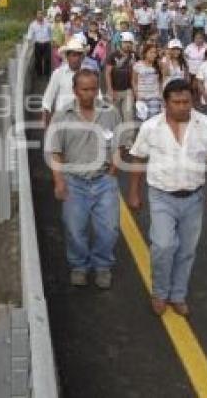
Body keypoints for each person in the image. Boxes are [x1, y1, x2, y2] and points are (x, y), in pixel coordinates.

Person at [128, 79, 207, 316]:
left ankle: (178, 295)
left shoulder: (206, 124)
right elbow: (138, 159)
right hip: (161, 197)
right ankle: (160, 292)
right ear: (166, 103)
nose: (182, 107)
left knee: (187, 250)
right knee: (163, 246)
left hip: (193, 197)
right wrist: (133, 192)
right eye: (177, 102)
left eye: (187, 102)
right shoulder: (151, 127)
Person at [46, 69, 126, 289]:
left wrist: (113, 171)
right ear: (74, 90)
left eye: (93, 89)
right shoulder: (62, 116)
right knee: (74, 228)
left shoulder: (110, 113)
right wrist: (59, 181)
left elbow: (120, 143)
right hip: (74, 181)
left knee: (109, 228)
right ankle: (79, 266)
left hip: (104, 180)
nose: (90, 94)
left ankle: (102, 266)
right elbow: (54, 151)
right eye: (85, 90)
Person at [42, 38, 88, 128]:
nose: (76, 58)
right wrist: (46, 128)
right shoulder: (58, 73)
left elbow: (98, 99)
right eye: (73, 55)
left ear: (82, 57)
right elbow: (47, 102)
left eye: (79, 55)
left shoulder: (88, 73)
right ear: (67, 57)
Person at [105, 31, 137, 146]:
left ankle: (129, 141)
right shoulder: (112, 56)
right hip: (115, 91)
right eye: (125, 42)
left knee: (128, 115)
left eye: (130, 43)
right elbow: (108, 73)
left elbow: (134, 74)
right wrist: (110, 90)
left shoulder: (133, 56)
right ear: (120, 43)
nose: (127, 45)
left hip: (127, 91)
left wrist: (135, 92)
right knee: (115, 117)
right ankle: (116, 141)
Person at [133, 43, 163, 122]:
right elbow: (134, 81)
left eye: (155, 52)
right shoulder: (137, 65)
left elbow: (161, 81)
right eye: (151, 52)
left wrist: (160, 95)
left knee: (154, 121)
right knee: (143, 122)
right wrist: (137, 96)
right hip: (142, 97)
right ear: (145, 53)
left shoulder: (158, 65)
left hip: (154, 97)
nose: (153, 55)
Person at [26, 10, 52, 77]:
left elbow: (51, 32)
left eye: (41, 14)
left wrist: (51, 40)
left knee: (47, 59)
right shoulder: (32, 25)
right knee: (38, 60)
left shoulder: (47, 23)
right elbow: (29, 35)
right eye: (38, 14)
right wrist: (29, 44)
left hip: (47, 43)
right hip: (38, 44)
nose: (40, 15)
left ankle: (47, 74)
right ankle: (39, 74)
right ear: (36, 16)